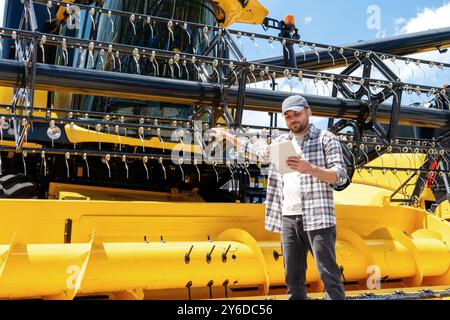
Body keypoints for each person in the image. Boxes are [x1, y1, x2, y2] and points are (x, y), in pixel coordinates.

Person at [211, 95, 348, 300]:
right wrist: (227, 135)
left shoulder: (325, 139)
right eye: (288, 116)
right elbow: (257, 154)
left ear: (308, 112)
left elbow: (340, 175)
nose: (293, 120)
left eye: (297, 114)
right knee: (292, 277)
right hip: (289, 218)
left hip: (318, 217)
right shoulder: (282, 142)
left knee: (328, 274)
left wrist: (309, 168)